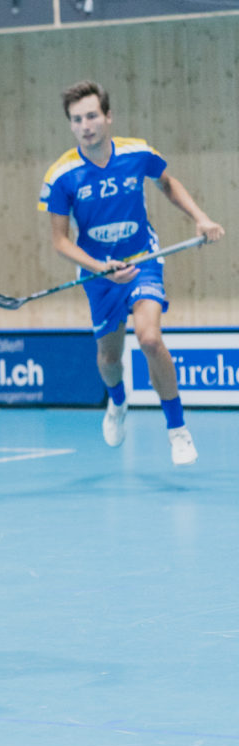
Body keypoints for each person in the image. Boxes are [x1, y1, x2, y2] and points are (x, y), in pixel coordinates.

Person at [39, 80, 224, 467]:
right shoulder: (61, 176)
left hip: (143, 259)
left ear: (108, 116)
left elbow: (167, 182)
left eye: (92, 116)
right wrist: (100, 268)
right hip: (99, 273)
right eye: (77, 119)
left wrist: (201, 218)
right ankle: (118, 402)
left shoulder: (137, 153)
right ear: (70, 125)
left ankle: (177, 429)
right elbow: (60, 241)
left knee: (150, 339)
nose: (86, 125)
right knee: (109, 358)